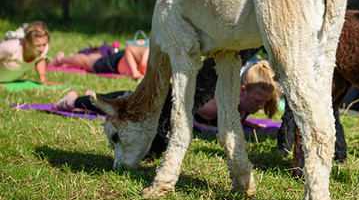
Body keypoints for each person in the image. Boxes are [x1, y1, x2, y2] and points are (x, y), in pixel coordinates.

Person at [54, 60, 280, 129]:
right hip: (164, 101)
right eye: (258, 101)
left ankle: (85, 97)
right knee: (122, 103)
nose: (260, 106)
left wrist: (249, 125)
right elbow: (187, 116)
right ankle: (72, 100)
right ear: (242, 91)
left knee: (123, 98)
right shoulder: (214, 106)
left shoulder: (240, 106)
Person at [51, 44, 149, 79]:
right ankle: (61, 59)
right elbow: (129, 49)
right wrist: (134, 71)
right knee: (88, 62)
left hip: (117, 66)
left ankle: (71, 60)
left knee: (92, 60)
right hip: (115, 62)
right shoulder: (148, 53)